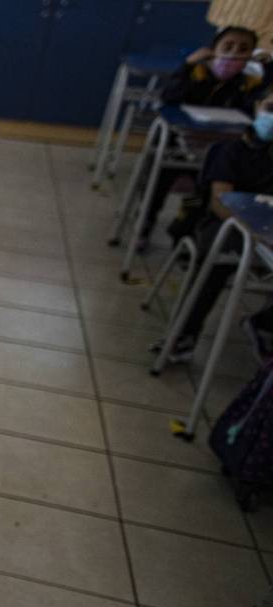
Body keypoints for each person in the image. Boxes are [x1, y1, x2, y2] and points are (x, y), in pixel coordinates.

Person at [152, 89, 273, 364]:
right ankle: (184, 333)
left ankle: (264, 324)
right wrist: (254, 233)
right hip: (227, 226)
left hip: (268, 234)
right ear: (257, 107)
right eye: (271, 108)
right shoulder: (230, 151)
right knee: (219, 259)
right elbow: (220, 204)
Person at [137, 26, 272, 250]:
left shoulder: (247, 83)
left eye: (243, 49)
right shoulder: (197, 72)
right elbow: (169, 97)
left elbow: (258, 104)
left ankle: (181, 231)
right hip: (177, 145)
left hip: (215, 153)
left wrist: (266, 66)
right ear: (213, 49)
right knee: (158, 187)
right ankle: (146, 223)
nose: (234, 53)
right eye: (228, 46)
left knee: (198, 197)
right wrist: (188, 65)